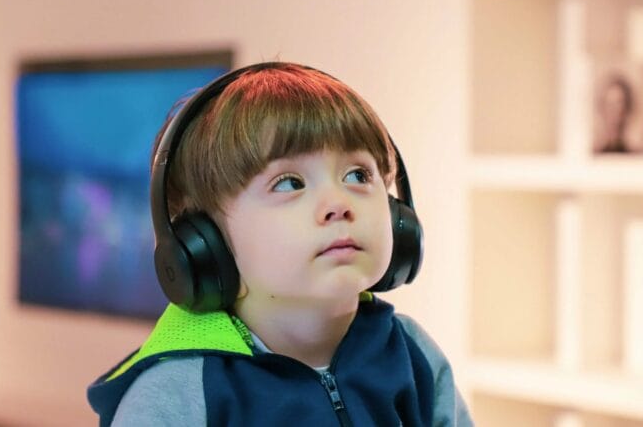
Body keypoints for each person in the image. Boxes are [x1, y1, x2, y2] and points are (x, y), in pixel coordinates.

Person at [87, 62, 473, 426]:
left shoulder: (411, 354)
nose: (338, 204)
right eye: (290, 183)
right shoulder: (178, 391)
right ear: (206, 242)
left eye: (358, 175)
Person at [595, 75, 635, 154]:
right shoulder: (595, 151)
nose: (613, 109)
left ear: (626, 107)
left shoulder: (636, 154)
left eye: (618, 102)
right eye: (609, 103)